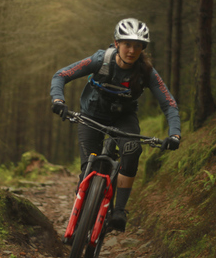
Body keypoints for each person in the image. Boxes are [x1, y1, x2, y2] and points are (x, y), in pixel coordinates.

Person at [50, 18, 181, 232]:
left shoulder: (146, 72)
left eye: (137, 46)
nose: (131, 50)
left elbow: (169, 104)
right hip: (91, 116)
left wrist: (175, 134)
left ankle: (119, 210)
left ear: (142, 48)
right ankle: (82, 213)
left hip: (124, 119)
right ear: (116, 43)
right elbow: (61, 75)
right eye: (127, 44)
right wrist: (58, 100)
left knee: (131, 150)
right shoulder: (101, 60)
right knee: (87, 172)